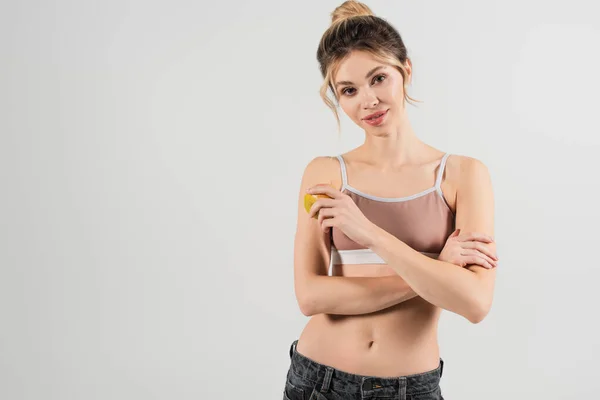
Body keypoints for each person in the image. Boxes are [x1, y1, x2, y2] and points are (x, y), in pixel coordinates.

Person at [282, 2, 499, 400]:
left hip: (412, 388)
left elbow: (474, 302)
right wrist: (436, 269)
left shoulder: (463, 175)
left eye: (378, 78)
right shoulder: (325, 173)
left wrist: (368, 232)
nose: (368, 101)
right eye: (349, 90)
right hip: (318, 381)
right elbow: (311, 296)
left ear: (406, 72)